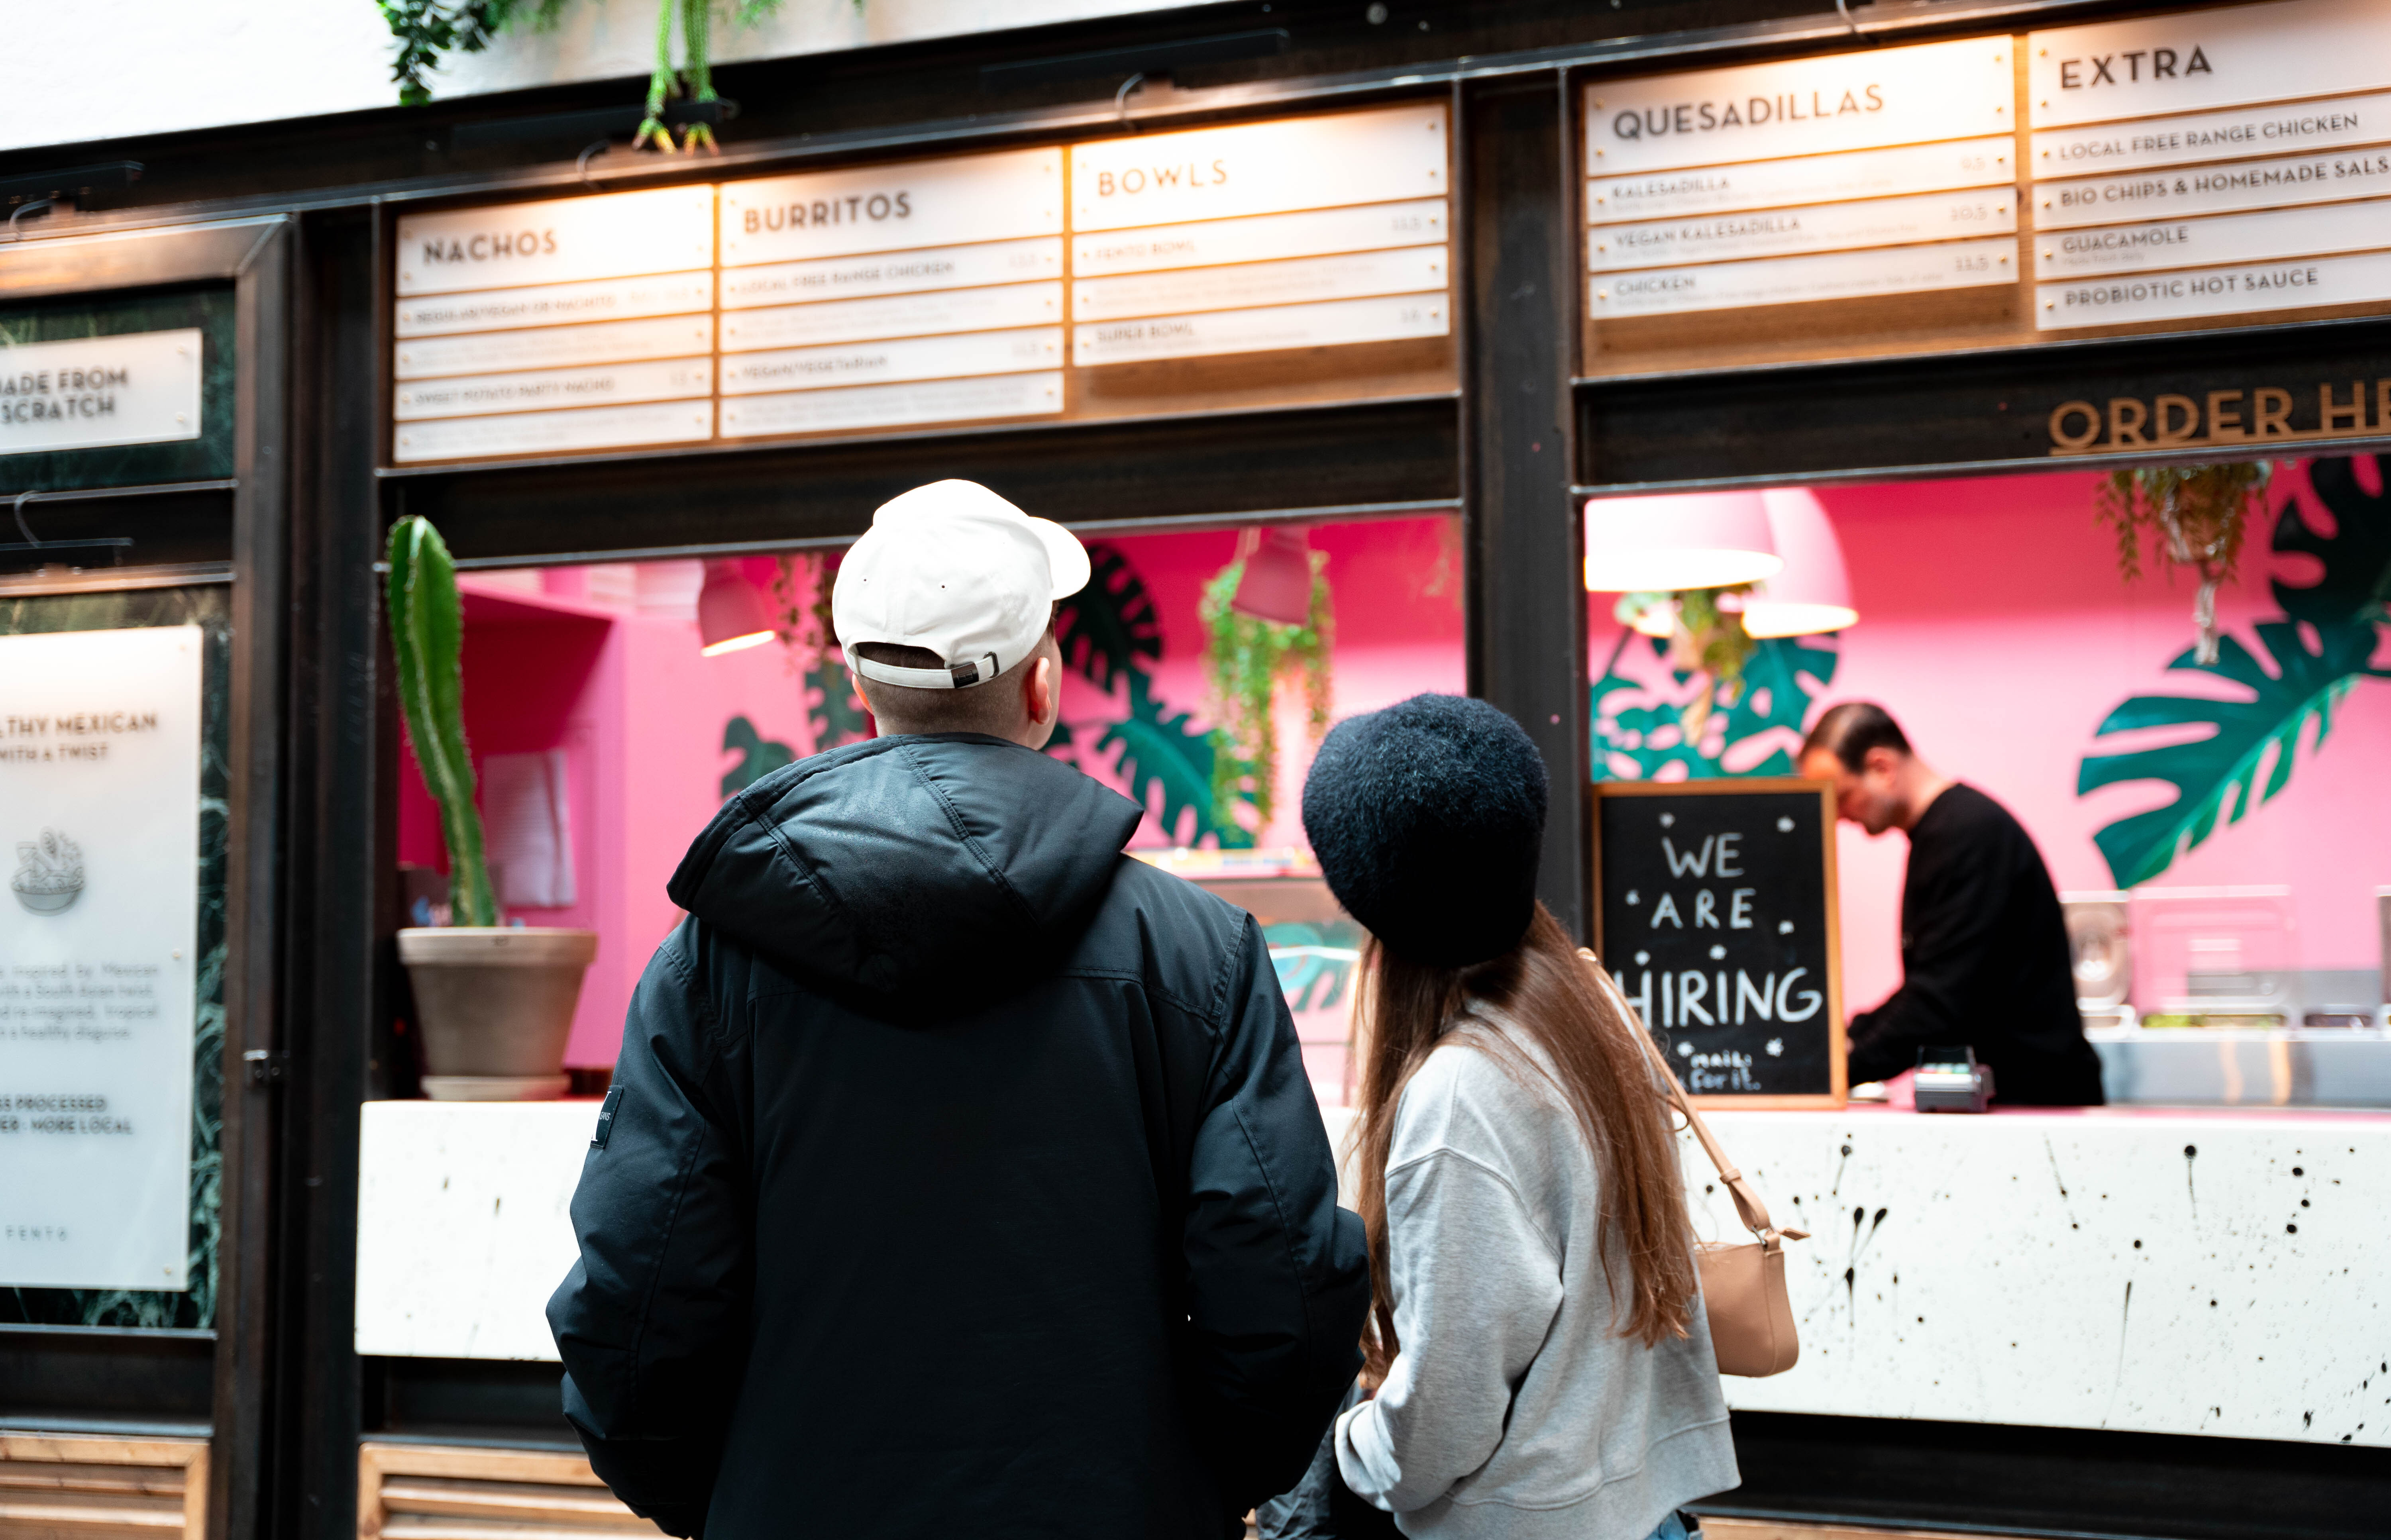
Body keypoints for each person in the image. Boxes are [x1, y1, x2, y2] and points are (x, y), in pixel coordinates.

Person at [546, 479, 1371, 1540]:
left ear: (862, 691)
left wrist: (725, 1496)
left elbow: (638, 1290)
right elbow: (1285, 1289)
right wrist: (1194, 1481)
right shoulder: (1200, 954)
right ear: (1042, 685)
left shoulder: (713, 963)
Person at [1272, 694, 1739, 1540]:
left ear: (1370, 898)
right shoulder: (1588, 1008)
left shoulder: (1460, 1094)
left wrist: (1346, 1445)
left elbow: (1447, 1418)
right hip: (1638, 1509)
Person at [1798, 701, 2105, 1106]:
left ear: (1881, 767)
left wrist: (1833, 1068)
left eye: (1843, 796)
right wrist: (1852, 1038)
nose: (1837, 816)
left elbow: (1940, 1002)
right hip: (2015, 1097)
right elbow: (1933, 982)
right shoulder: (1949, 831)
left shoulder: (1966, 835)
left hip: (2036, 1100)